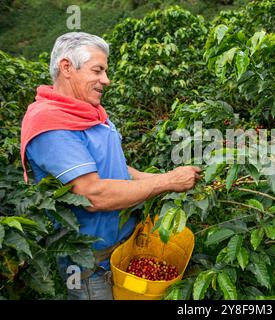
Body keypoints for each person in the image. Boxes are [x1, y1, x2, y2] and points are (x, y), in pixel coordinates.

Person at [20, 32, 202, 300]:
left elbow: (118, 170)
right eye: (98, 70)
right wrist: (168, 182)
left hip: (120, 250)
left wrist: (165, 179)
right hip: (90, 266)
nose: (106, 80)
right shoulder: (52, 127)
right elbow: (92, 194)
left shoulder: (90, 114)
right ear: (67, 67)